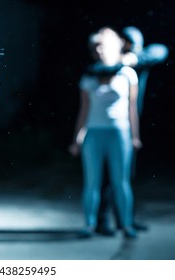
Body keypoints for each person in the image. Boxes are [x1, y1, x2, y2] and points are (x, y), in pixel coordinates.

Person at [87, 26, 169, 234]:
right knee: (106, 178)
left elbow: (161, 51)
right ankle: (102, 220)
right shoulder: (109, 64)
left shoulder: (136, 61)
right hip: (110, 125)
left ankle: (126, 219)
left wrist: (135, 58)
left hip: (129, 122)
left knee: (125, 176)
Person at [69, 27, 141, 238]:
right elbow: (83, 110)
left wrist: (135, 136)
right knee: (92, 182)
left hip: (119, 132)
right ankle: (89, 224)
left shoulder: (128, 73)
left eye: (104, 44)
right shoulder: (89, 75)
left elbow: (132, 108)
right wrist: (77, 138)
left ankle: (126, 225)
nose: (100, 49)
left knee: (121, 181)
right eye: (96, 45)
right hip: (94, 132)